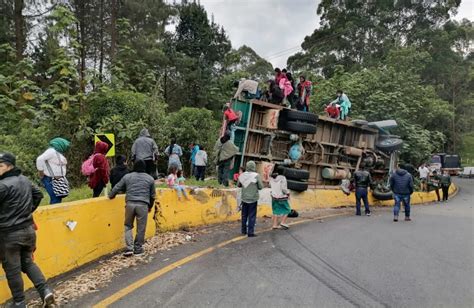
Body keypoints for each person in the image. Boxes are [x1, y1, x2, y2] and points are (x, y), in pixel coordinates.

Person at [0, 152, 55, 307]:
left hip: (9, 235)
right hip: (28, 231)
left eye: (0, 165)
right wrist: (28, 211)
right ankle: (45, 291)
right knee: (28, 263)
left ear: (9, 166)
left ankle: (19, 303)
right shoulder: (24, 180)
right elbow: (38, 194)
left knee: (12, 270)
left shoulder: (3, 185)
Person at [108, 160, 155, 256]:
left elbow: (117, 187)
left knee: (128, 226)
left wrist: (111, 195)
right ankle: (138, 248)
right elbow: (153, 196)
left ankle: (129, 248)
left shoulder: (128, 176)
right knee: (141, 228)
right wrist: (150, 206)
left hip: (130, 204)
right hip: (143, 205)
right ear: (144, 168)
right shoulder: (150, 179)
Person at [36, 137, 70, 204]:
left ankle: (56, 213)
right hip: (50, 179)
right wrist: (41, 172)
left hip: (57, 180)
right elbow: (39, 159)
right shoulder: (51, 151)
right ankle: (54, 213)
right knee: (55, 199)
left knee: (58, 197)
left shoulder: (57, 152)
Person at [238, 161, 263, 237]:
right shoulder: (256, 175)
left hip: (244, 198)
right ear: (254, 167)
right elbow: (260, 187)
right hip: (253, 199)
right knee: (252, 216)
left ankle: (243, 231)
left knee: (244, 215)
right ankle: (250, 232)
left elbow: (239, 185)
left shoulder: (242, 175)